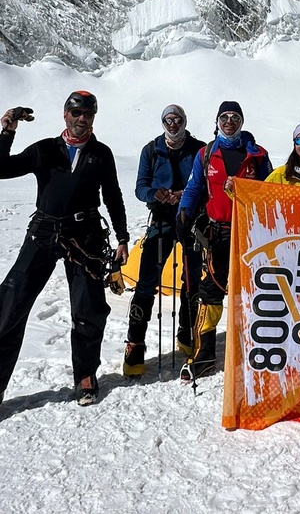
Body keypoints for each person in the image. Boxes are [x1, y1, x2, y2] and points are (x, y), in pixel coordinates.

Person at [0, 92, 129, 406]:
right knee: (10, 305)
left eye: (87, 114)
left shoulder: (101, 154)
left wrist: (123, 237)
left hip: (85, 237)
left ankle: (85, 375)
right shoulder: (45, 149)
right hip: (44, 232)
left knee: (88, 307)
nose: (81, 118)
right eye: (76, 112)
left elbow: (113, 195)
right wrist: (7, 131)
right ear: (65, 115)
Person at [177, 101, 272, 382]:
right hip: (218, 232)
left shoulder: (257, 155)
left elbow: (269, 190)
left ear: (241, 121)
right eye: (224, 117)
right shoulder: (206, 154)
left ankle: (258, 351)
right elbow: (195, 186)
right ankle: (205, 355)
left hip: (251, 233)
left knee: (257, 291)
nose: (229, 121)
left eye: (235, 117)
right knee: (211, 290)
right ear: (217, 121)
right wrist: (184, 212)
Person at [123, 105, 205, 377]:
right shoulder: (151, 149)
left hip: (190, 218)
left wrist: (186, 194)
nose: (173, 124)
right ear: (163, 123)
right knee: (147, 279)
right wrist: (155, 194)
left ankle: (186, 330)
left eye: (177, 119)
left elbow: (205, 184)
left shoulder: (199, 149)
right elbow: (139, 187)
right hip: (161, 218)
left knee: (192, 278)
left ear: (184, 121)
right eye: (168, 120)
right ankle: (135, 342)